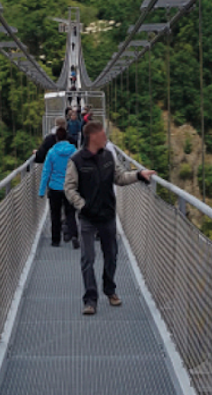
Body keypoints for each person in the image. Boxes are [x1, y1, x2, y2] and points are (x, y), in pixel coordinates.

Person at [64, 121, 155, 315]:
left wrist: (139, 175)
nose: (106, 137)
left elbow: (120, 178)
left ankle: (110, 289)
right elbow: (69, 188)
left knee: (112, 255)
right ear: (92, 137)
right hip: (88, 217)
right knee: (88, 258)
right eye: (102, 134)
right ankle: (90, 300)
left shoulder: (108, 157)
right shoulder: (76, 160)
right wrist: (83, 206)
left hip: (107, 214)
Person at [39, 127, 79, 248]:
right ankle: (74, 235)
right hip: (70, 187)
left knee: (55, 214)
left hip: (54, 188)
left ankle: (55, 240)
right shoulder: (74, 151)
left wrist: (41, 190)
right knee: (70, 213)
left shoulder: (51, 152)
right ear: (67, 137)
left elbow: (46, 172)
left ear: (56, 138)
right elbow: (79, 170)